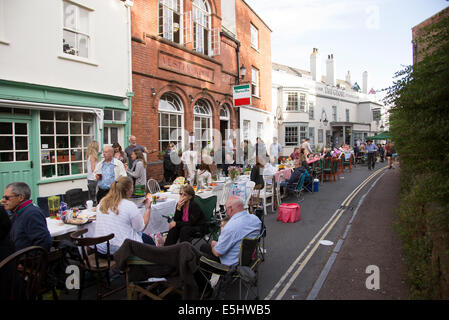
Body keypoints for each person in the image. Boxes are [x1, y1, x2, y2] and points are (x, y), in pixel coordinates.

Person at [95, 176, 154, 255]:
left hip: (101, 249)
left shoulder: (101, 203)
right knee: (149, 242)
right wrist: (148, 209)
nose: (133, 190)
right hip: (120, 251)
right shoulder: (129, 205)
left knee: (145, 238)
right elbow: (141, 227)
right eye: (132, 187)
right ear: (127, 190)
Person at [199, 196, 261, 265]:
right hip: (247, 259)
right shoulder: (256, 220)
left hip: (230, 266)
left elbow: (217, 253)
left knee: (200, 250)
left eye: (226, 209)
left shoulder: (230, 227)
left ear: (230, 209)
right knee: (204, 247)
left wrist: (214, 245)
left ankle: (210, 273)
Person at [2, 182, 52, 252]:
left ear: (21, 197)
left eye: (7, 198)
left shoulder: (32, 213)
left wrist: (28, 261)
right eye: (3, 197)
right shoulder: (17, 212)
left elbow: (44, 243)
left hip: (24, 260)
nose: (3, 200)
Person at [86, 140, 100, 205]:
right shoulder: (92, 156)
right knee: (93, 199)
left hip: (90, 179)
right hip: (93, 179)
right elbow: (93, 169)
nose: (98, 147)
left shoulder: (90, 155)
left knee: (91, 198)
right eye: (98, 146)